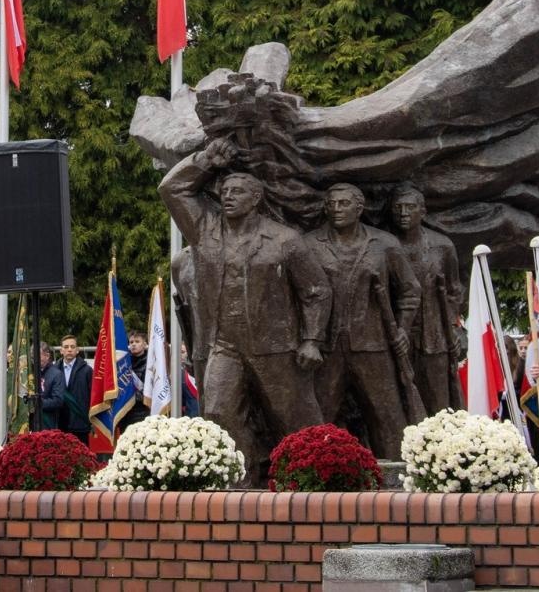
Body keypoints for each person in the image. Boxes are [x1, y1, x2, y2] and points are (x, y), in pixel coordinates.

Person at [160, 141, 331, 484]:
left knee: (294, 416)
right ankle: (247, 473)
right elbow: (171, 188)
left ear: (256, 199)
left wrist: (312, 339)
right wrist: (206, 160)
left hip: (275, 345)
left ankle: (317, 476)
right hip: (223, 344)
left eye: (237, 192)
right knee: (217, 410)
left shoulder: (284, 239)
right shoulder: (203, 231)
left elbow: (316, 290)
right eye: (225, 191)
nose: (228, 197)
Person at [310, 182, 424, 460]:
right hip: (327, 347)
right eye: (331, 204)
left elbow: (410, 290)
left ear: (359, 208)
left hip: (374, 345)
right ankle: (309, 470)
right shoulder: (309, 244)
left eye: (344, 203)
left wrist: (403, 329)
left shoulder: (384, 244)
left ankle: (399, 473)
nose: (336, 209)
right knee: (318, 415)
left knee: (387, 415)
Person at [390, 183, 465, 415]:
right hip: (397, 333)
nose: (403, 213)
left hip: (434, 334)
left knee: (438, 399)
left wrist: (453, 327)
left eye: (410, 207)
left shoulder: (442, 246)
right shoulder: (386, 245)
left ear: (422, 211)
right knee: (400, 400)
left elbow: (454, 290)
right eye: (398, 207)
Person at [57, 335, 92, 445]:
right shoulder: (54, 371)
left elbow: (92, 396)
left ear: (77, 350)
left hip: (80, 423)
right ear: (61, 351)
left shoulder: (87, 371)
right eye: (66, 347)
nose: (69, 350)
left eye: (72, 347)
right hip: (59, 424)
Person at [124, 331, 150, 425]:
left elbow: (148, 392)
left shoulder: (150, 364)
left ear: (145, 344)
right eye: (131, 342)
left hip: (142, 412)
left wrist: (127, 396)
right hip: (125, 412)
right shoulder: (124, 364)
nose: (133, 344)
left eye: (137, 341)